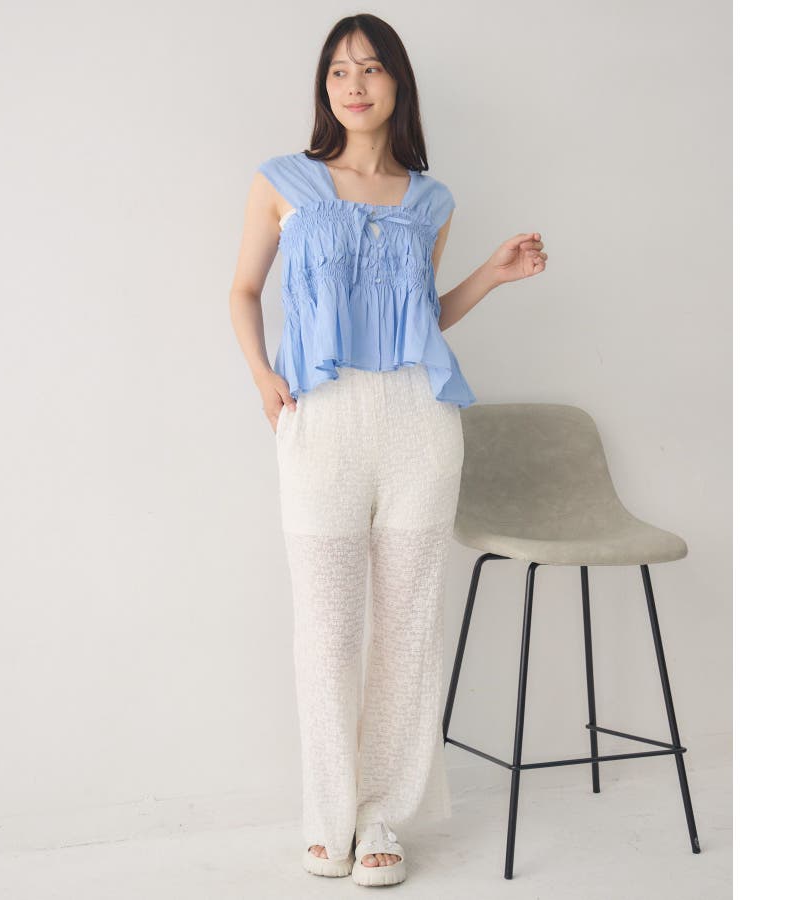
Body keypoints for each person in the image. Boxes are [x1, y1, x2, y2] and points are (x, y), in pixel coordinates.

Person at [229, 13, 547, 887]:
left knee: (408, 630)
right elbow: (244, 289)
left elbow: (419, 318)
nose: (354, 84)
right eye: (338, 70)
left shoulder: (430, 200)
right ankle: (326, 817)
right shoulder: (282, 181)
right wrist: (262, 378)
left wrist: (491, 276)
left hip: (417, 423)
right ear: (324, 87)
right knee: (326, 631)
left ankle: (382, 819)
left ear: (398, 83)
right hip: (321, 423)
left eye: (370, 68)